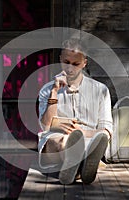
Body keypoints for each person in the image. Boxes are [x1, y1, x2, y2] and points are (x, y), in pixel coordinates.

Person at [37, 38, 113, 184]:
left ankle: (75, 167)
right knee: (61, 140)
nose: (70, 68)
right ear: (60, 59)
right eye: (66, 62)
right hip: (56, 145)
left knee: (90, 139)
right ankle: (81, 165)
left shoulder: (100, 90)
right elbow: (45, 126)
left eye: (75, 64)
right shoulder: (47, 90)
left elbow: (107, 130)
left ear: (84, 63)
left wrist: (82, 133)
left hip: (89, 140)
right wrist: (55, 91)